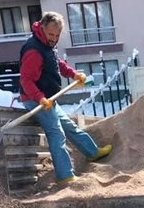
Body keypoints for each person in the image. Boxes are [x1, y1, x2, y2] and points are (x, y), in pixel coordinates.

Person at [19, 11, 112, 187]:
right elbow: (25, 80)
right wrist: (39, 98)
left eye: (57, 35)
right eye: (51, 34)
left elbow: (57, 63)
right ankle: (65, 175)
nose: (54, 38)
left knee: (70, 126)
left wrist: (73, 73)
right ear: (42, 28)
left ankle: (93, 152)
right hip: (35, 99)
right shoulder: (33, 50)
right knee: (56, 133)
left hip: (48, 99)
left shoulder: (45, 45)